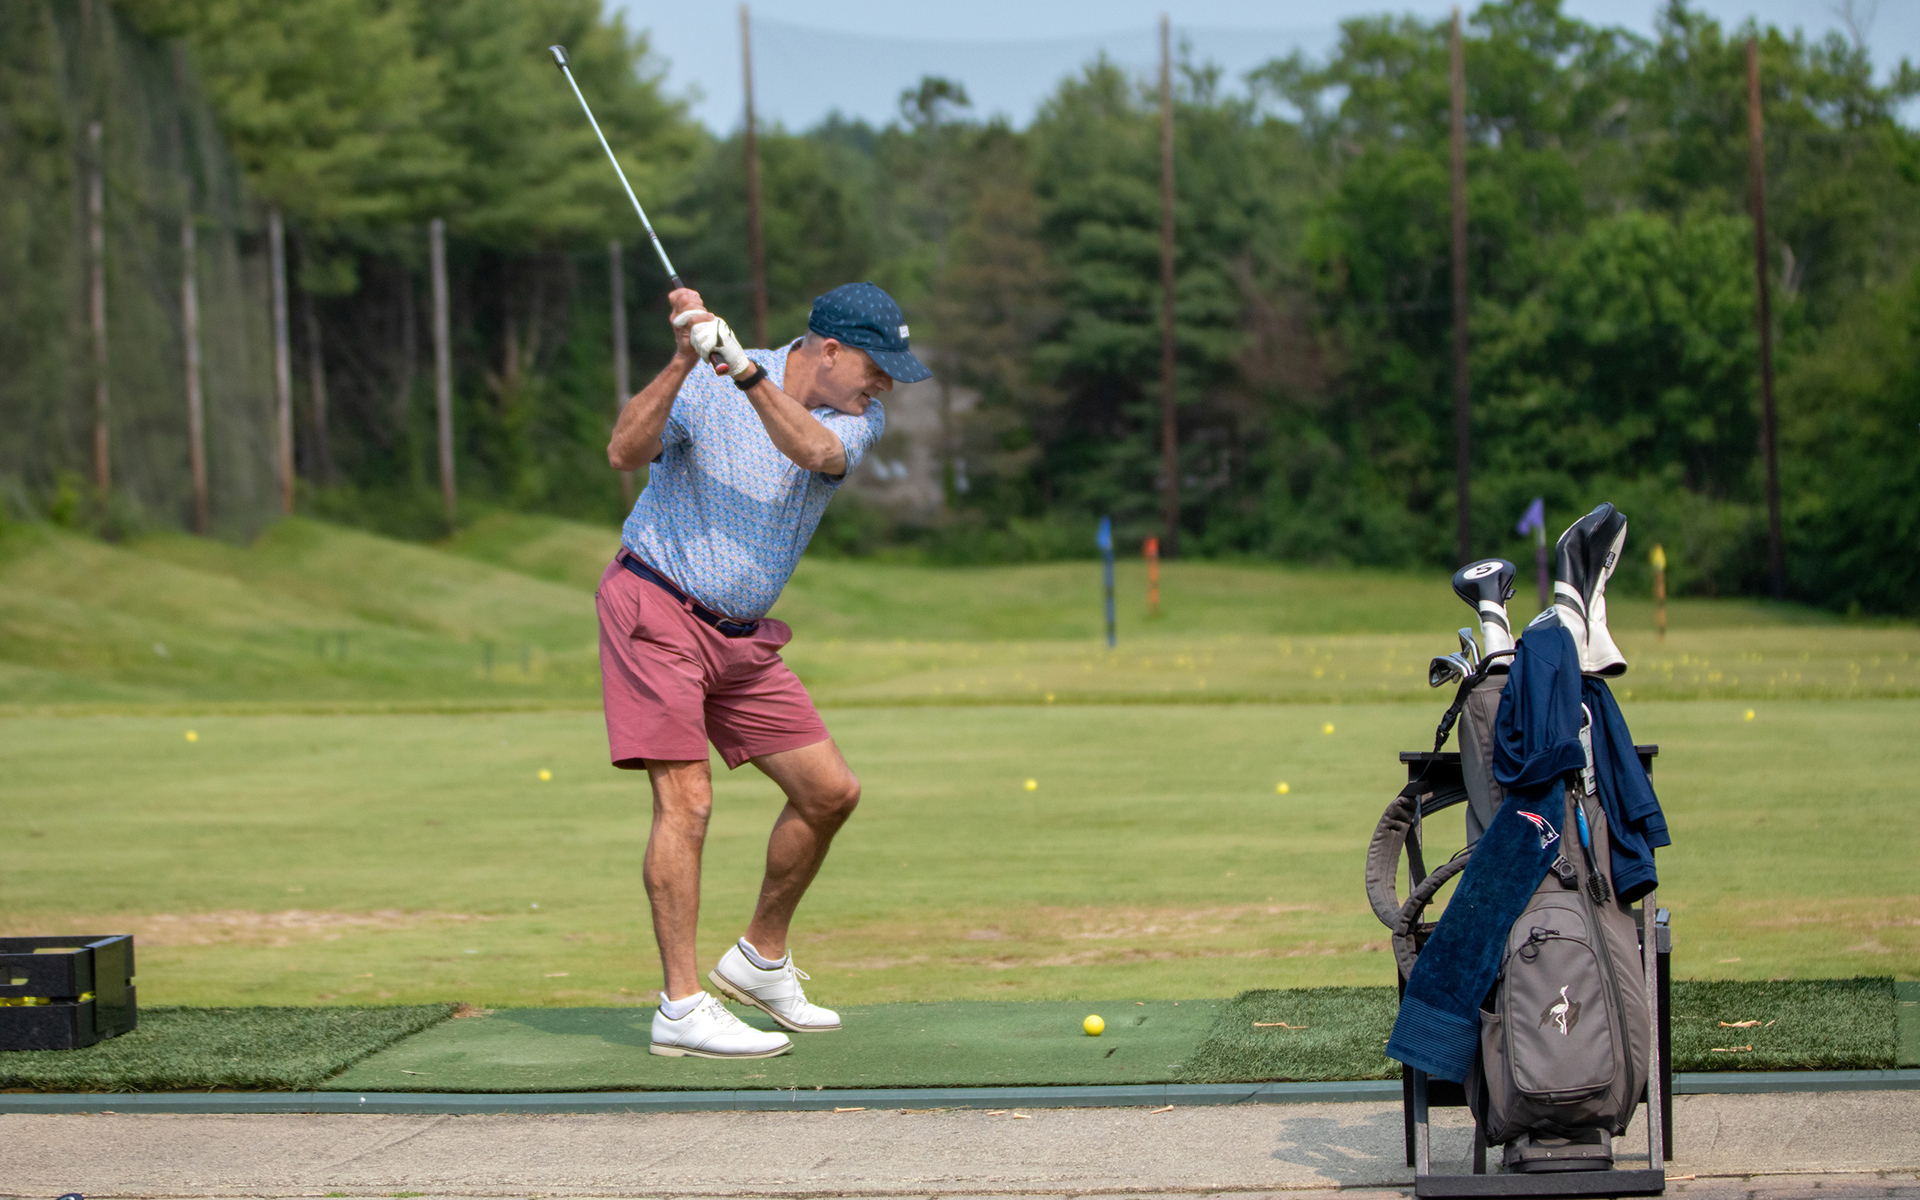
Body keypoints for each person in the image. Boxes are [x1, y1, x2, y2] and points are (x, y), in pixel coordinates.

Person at [598, 281, 931, 1059]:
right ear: (830, 350)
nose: (885, 385)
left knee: (830, 792)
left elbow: (811, 452)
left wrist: (743, 372)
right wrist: (683, 361)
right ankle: (682, 1007)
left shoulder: (853, 420)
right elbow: (622, 452)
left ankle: (759, 959)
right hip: (655, 608)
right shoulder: (705, 380)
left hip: (740, 640)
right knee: (687, 803)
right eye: (877, 368)